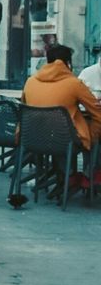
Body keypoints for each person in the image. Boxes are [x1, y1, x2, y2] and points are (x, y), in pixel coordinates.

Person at [23, 46, 101, 200]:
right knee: (87, 137)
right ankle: (87, 175)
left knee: (61, 132)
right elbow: (97, 113)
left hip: (33, 139)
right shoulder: (73, 84)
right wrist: (92, 137)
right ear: (68, 63)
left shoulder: (30, 81)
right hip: (64, 140)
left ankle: (67, 176)